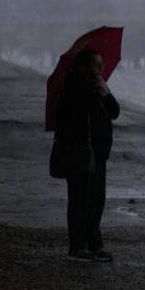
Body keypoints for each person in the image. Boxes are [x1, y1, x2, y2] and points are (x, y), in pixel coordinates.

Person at [56, 48, 120, 262]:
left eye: (101, 64)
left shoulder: (99, 86)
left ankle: (94, 245)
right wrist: (91, 90)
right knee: (80, 201)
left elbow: (114, 111)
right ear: (85, 66)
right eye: (96, 64)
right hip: (81, 152)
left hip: (99, 153)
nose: (100, 68)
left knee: (96, 201)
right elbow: (75, 118)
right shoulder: (73, 86)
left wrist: (104, 92)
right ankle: (78, 246)